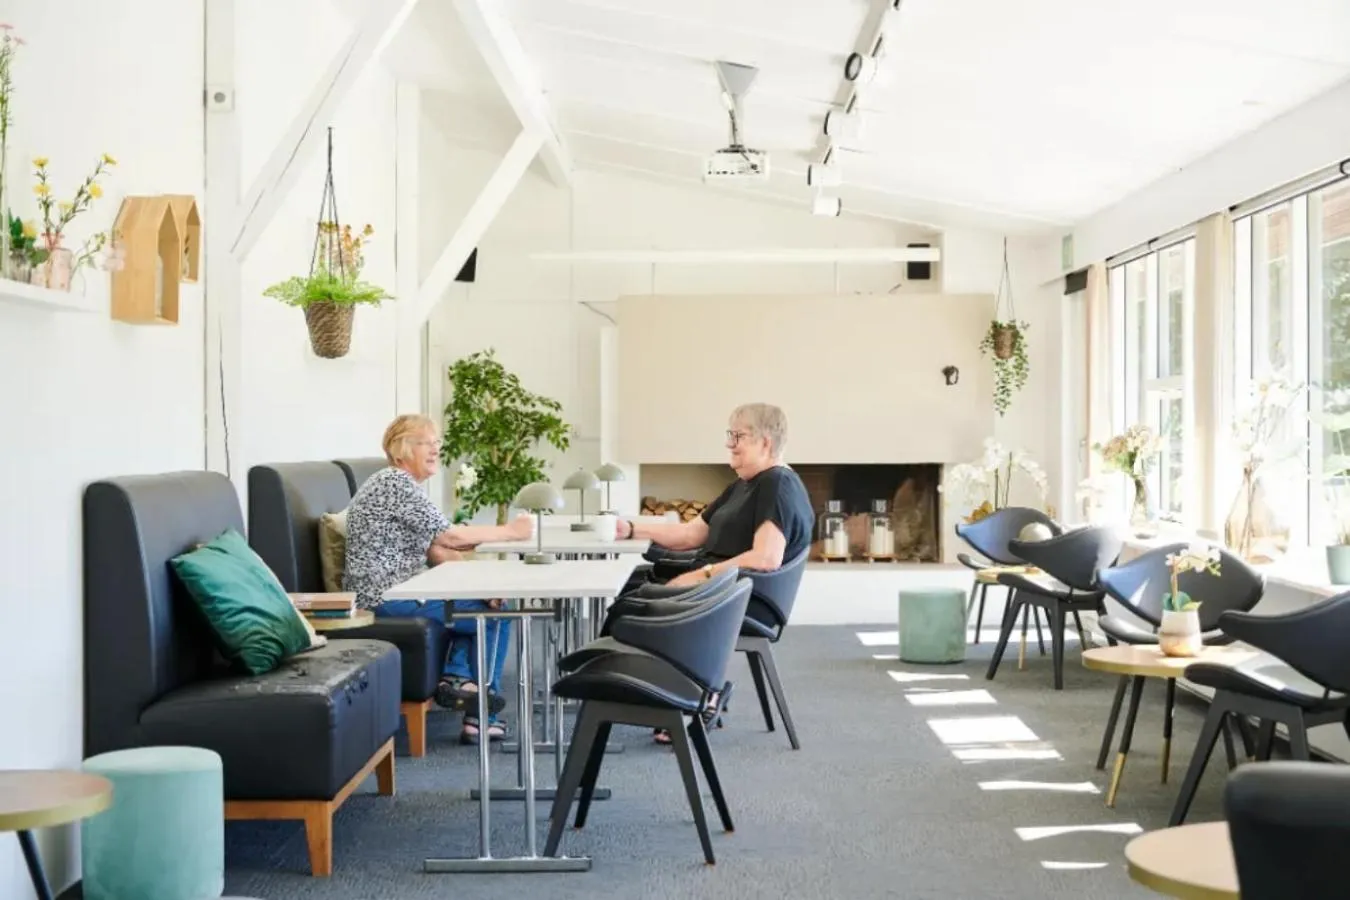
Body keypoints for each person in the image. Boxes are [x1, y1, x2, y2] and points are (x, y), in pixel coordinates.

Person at [610, 403, 813, 742]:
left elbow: (766, 557)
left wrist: (701, 576)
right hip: (724, 585)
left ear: (765, 442)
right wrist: (629, 528)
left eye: (738, 436)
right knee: (633, 584)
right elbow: (691, 535)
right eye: (729, 435)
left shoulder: (777, 485)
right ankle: (675, 692)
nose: (729, 444)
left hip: (745, 597)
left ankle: (694, 694)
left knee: (643, 599)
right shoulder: (744, 484)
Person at [343, 413, 533, 744]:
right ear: (401, 450)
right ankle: (482, 714)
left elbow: (438, 548)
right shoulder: (394, 483)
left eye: (437, 443)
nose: (435, 450)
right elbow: (451, 536)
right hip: (383, 599)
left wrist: (482, 587)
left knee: (481, 604)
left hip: (400, 591)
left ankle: (459, 680)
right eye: (426, 443)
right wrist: (512, 532)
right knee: (496, 614)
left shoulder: (400, 485)